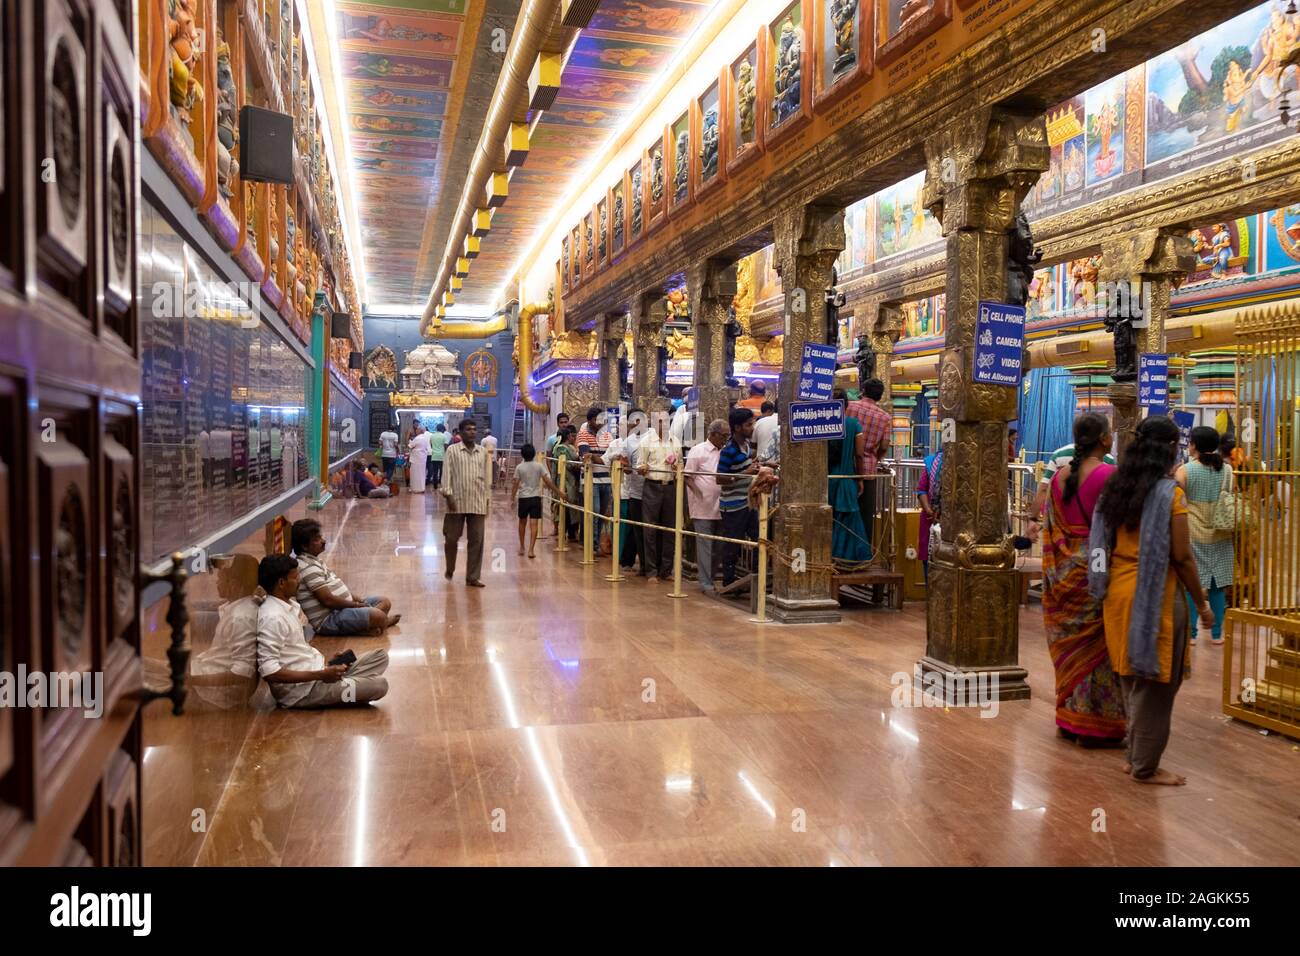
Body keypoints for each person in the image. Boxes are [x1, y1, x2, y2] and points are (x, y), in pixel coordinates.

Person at [1090, 415, 1212, 786]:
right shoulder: (1169, 493)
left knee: (1130, 675)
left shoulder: (1116, 488)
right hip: (1156, 595)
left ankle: (1133, 756)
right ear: (1170, 448)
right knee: (1157, 683)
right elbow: (1182, 556)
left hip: (1118, 593)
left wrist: (1100, 586)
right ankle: (1145, 766)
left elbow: (1098, 544)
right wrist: (1203, 604)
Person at [1041, 413, 1124, 746]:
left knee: (1071, 645)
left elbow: (1049, 525)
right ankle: (1093, 724)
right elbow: (1114, 528)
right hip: (1096, 568)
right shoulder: (1110, 475)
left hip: (1062, 574)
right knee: (1098, 648)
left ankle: (1068, 718)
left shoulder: (1060, 476)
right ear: (1104, 439)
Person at [255, 554, 390, 708]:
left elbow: (295, 653)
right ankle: (340, 691)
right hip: (304, 692)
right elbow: (270, 672)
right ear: (281, 583)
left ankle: (345, 683)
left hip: (318, 673)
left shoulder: (288, 607)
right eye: (296, 577)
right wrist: (321, 675)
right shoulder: (272, 618)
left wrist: (328, 666)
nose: (299, 581)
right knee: (380, 686)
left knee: (381, 656)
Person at [1176, 426, 1234, 645]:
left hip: (1193, 533)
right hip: (1221, 533)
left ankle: (1191, 634)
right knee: (1217, 586)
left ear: (1195, 446)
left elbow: (1177, 500)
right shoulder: (1227, 470)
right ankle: (1217, 634)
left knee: (1192, 586)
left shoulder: (1185, 470)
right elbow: (1230, 496)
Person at [291, 518, 399, 634]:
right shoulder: (307, 568)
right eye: (317, 539)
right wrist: (356, 606)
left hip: (342, 609)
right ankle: (380, 623)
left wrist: (359, 600)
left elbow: (335, 587)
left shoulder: (315, 561)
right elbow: (328, 600)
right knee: (378, 615)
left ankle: (370, 626)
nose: (323, 541)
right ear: (304, 546)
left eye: (321, 537)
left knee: (384, 602)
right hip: (330, 619)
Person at [1028, 439, 1117, 539]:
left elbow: (1044, 489)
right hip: (1094, 532)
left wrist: (1033, 519)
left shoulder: (1059, 455)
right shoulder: (1107, 459)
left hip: (1062, 532)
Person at [441, 417, 491, 586]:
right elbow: (446, 473)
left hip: (477, 502)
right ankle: (450, 567)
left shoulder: (482, 452)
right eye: (468, 429)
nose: (472, 432)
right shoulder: (452, 451)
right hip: (456, 502)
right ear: (461, 432)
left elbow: (486, 477)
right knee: (451, 539)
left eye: (474, 429)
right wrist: (448, 495)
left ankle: (472, 576)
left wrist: (487, 500)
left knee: (476, 541)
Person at [846, 377, 891, 551]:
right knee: (865, 514)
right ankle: (863, 552)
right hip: (868, 470)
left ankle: (842, 553)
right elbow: (885, 445)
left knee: (844, 511)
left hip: (844, 466)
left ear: (862, 391)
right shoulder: (885, 417)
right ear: (880, 397)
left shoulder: (850, 407)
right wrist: (875, 457)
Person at [717, 406, 759, 588]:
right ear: (737, 428)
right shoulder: (728, 450)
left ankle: (757, 575)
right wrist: (745, 472)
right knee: (732, 544)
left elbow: (745, 467)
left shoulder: (746, 446)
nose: (752, 428)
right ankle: (728, 581)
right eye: (749, 425)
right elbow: (720, 478)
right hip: (732, 506)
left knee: (760, 539)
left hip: (748, 504)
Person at [637, 412, 682, 582]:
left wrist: (677, 466)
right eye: (661, 421)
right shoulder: (646, 442)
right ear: (654, 424)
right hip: (652, 487)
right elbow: (640, 465)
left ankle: (666, 570)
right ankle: (651, 571)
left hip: (670, 487)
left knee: (670, 529)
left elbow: (680, 467)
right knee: (650, 529)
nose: (664, 424)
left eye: (667, 421)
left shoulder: (675, 442)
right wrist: (643, 469)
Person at [829, 389, 870, 563]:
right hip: (847, 478)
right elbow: (859, 454)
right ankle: (849, 559)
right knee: (849, 520)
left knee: (830, 519)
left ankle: (828, 555)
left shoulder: (823, 425)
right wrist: (860, 478)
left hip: (828, 479)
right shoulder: (853, 424)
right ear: (846, 404)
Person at [687, 418, 727, 592]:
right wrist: (697, 492)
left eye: (727, 436)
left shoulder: (724, 452)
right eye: (723, 436)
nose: (725, 439)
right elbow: (687, 476)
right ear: (713, 434)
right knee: (705, 546)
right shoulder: (698, 450)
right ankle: (705, 582)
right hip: (702, 507)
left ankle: (710, 577)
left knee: (719, 546)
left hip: (722, 506)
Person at [604, 410, 647, 572]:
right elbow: (606, 459)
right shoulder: (622, 443)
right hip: (626, 490)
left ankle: (629, 559)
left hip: (641, 490)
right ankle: (623, 557)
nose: (625, 427)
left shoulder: (649, 438)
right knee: (626, 526)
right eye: (622, 425)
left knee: (633, 527)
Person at [512, 443, 563, 558]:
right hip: (535, 498)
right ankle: (531, 550)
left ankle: (522, 547)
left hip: (523, 498)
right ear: (534, 454)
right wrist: (559, 492)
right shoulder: (539, 466)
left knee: (522, 523)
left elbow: (515, 484)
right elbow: (548, 482)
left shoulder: (519, 467)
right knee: (534, 524)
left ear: (522, 454)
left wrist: (512, 498)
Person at [576, 406, 613, 549]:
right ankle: (592, 543)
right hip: (591, 479)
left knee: (602, 513)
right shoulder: (583, 434)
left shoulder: (607, 435)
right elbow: (586, 456)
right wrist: (603, 459)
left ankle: (595, 541)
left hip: (607, 479)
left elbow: (610, 456)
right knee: (594, 511)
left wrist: (598, 458)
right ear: (590, 421)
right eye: (598, 419)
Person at [916, 447, 942, 578]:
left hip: (931, 516)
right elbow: (921, 490)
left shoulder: (932, 461)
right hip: (933, 519)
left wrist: (928, 510)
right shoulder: (932, 462)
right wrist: (931, 511)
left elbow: (922, 491)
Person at [554, 425, 582, 542]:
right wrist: (578, 463)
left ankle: (572, 532)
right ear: (567, 436)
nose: (573, 437)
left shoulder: (570, 447)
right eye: (572, 435)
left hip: (572, 481)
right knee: (566, 507)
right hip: (565, 481)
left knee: (573, 507)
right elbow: (567, 464)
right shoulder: (561, 449)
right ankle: (566, 532)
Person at [408, 424, 431, 493]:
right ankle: (421, 488)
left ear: (420, 430)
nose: (416, 430)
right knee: (421, 473)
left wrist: (410, 441)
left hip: (416, 459)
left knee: (415, 474)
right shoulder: (424, 438)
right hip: (422, 458)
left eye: (417, 429)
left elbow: (410, 446)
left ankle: (415, 489)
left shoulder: (418, 438)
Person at [429, 423, 449, 488]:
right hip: (442, 456)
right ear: (442, 429)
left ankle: (435, 486)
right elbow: (446, 447)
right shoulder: (444, 436)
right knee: (442, 471)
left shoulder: (432, 436)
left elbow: (431, 446)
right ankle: (441, 484)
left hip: (434, 456)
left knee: (435, 471)